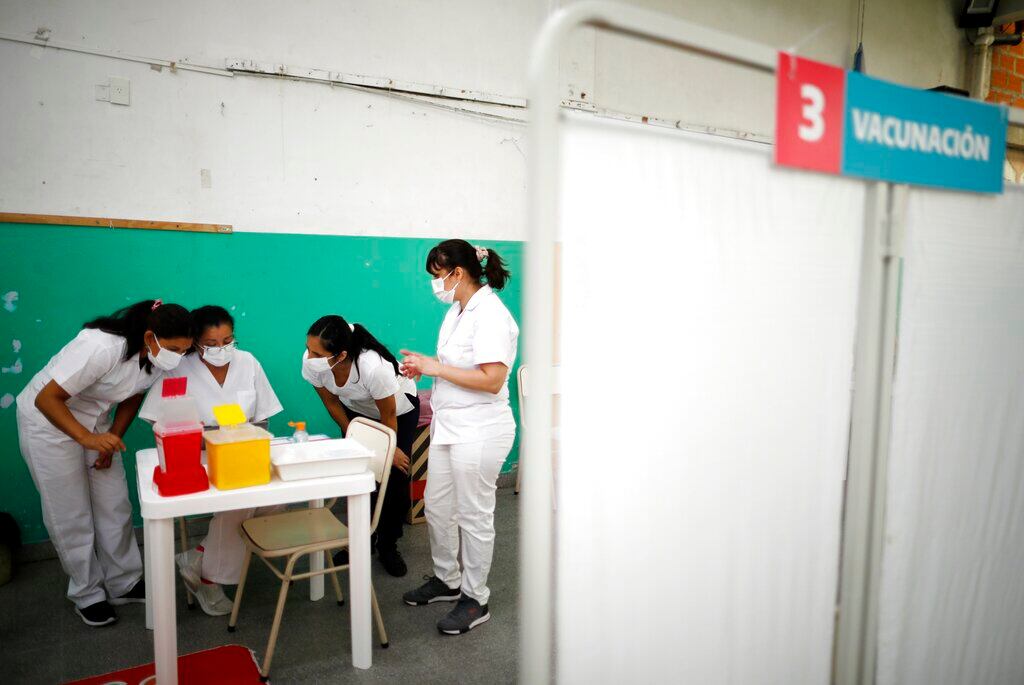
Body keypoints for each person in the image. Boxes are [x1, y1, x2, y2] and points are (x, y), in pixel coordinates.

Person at [16, 299, 193, 627]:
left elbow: (132, 397)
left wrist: (110, 438)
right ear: (150, 335)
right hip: (48, 424)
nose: (178, 357)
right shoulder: (101, 347)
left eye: (184, 350)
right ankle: (87, 593)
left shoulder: (155, 359)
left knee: (115, 504)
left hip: (96, 424)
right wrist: (86, 439)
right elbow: (46, 399)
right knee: (70, 512)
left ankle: (124, 581)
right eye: (173, 348)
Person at [399, 239, 518, 635]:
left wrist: (436, 367)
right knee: (436, 507)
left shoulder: (492, 316)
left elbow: (492, 379)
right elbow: (453, 366)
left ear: (458, 273)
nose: (436, 284)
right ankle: (447, 580)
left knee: (474, 515)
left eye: (438, 276)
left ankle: (475, 598)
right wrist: (426, 368)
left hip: (481, 428)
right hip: (451, 424)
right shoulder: (457, 310)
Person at [139, 305, 283, 616]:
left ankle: (198, 557)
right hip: (199, 458)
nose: (222, 350)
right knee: (239, 503)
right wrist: (191, 436)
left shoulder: (248, 362)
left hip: (242, 452)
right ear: (194, 343)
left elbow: (263, 418)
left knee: (276, 499)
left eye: (228, 341)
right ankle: (209, 579)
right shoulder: (179, 368)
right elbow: (155, 420)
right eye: (212, 344)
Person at [302, 315, 419, 577]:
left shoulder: (372, 367)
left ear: (341, 355)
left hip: (396, 412)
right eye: (309, 349)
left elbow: (388, 416)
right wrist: (354, 437)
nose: (309, 357)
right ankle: (362, 540)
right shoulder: (313, 364)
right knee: (358, 472)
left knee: (392, 475)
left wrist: (388, 449)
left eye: (317, 353)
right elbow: (332, 403)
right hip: (355, 412)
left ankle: (389, 544)